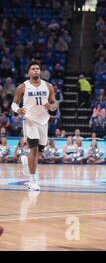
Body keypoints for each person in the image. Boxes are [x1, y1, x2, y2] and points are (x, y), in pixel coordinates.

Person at [11, 60, 58, 191]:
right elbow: (14, 104)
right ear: (29, 72)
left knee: (40, 152)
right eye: (33, 68)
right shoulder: (23, 87)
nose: (36, 70)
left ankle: (26, 160)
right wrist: (18, 110)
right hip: (29, 120)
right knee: (34, 148)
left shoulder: (48, 86)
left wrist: (51, 106)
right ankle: (32, 180)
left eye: (38, 68)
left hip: (43, 121)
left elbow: (54, 104)